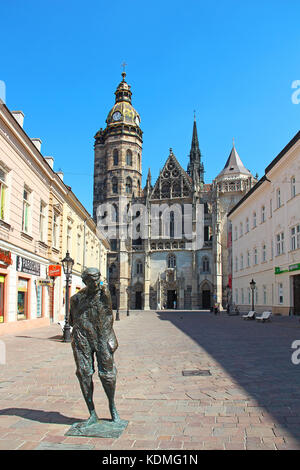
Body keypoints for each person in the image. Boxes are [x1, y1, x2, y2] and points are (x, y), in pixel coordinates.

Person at [69, 267, 120, 428]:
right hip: (82, 337)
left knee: (108, 375)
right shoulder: (76, 299)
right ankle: (92, 413)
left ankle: (112, 407)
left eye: (98, 278)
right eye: (92, 280)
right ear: (85, 281)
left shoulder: (104, 293)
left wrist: (109, 339)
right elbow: (72, 320)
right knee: (84, 373)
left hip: (102, 336)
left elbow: (109, 316)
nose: (96, 282)